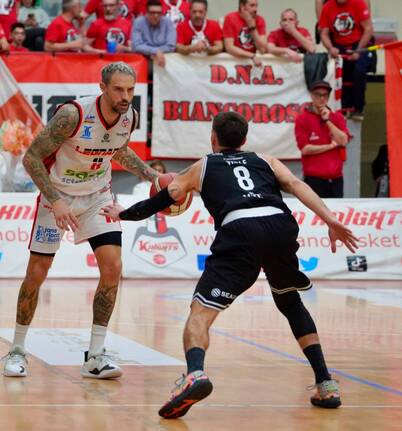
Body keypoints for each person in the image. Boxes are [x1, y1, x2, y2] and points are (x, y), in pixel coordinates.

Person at [101, 111, 358, 418]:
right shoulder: (266, 160)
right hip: (279, 226)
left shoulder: (203, 165)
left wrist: (124, 213)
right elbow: (297, 185)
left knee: (201, 311)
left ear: (213, 137)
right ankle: (326, 383)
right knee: (290, 301)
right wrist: (331, 219)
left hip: (240, 231)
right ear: (245, 139)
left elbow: (163, 199)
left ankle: (194, 374)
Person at [2, 62, 159, 379]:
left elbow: (118, 151)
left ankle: (96, 356)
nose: (125, 96)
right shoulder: (72, 115)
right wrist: (56, 200)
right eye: (118, 89)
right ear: (102, 87)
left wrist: (153, 175)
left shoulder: (130, 116)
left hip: (98, 196)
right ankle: (17, 350)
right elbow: (32, 157)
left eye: (130, 90)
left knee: (113, 267)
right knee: (37, 272)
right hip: (57, 195)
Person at [318, 0, 373, 121]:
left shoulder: (359, 3)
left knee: (359, 72)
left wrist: (358, 50)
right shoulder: (327, 7)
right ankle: (340, 109)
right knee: (336, 75)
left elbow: (368, 29)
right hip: (338, 45)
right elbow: (324, 34)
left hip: (359, 44)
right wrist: (330, 48)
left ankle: (359, 108)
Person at [295, 81, 350, 198]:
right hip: (314, 179)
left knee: (335, 213)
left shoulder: (337, 117)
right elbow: (305, 149)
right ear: (311, 96)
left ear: (328, 97)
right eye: (318, 95)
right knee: (313, 214)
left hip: (335, 179)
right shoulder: (302, 119)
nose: (321, 98)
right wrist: (330, 146)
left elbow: (343, 140)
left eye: (325, 95)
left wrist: (327, 121)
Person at [131, 0, 176, 68]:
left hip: (164, 61)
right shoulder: (138, 22)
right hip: (144, 61)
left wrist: (153, 52)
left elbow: (171, 46)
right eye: (152, 13)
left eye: (158, 13)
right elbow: (136, 46)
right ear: (146, 13)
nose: (156, 15)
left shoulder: (168, 23)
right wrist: (155, 51)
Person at [222, 0, 267, 67]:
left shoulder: (260, 20)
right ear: (242, 7)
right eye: (252, 5)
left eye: (256, 6)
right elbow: (229, 47)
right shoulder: (230, 18)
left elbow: (263, 49)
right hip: (235, 63)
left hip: (252, 65)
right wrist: (251, 56)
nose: (255, 9)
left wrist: (252, 28)